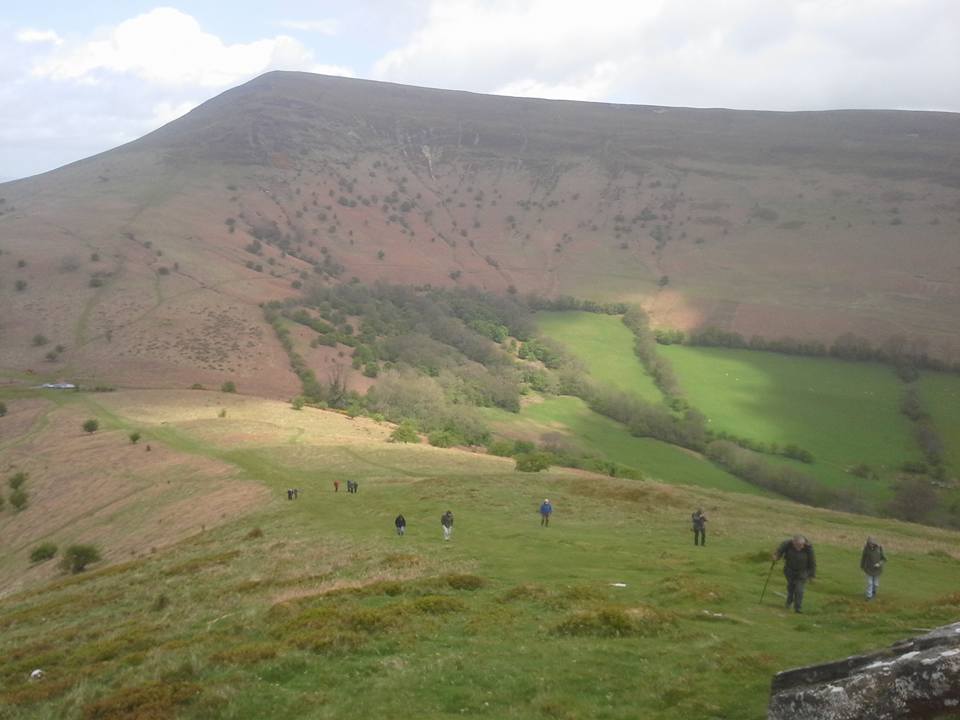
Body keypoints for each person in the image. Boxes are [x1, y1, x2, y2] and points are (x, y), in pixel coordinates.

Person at [773, 535, 816, 613]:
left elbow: (812, 562)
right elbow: (779, 551)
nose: (801, 547)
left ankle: (798, 608)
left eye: (802, 545)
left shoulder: (808, 548)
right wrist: (776, 556)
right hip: (789, 570)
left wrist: (812, 575)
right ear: (793, 543)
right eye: (798, 545)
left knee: (799, 590)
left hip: (802, 572)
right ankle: (789, 602)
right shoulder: (787, 544)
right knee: (791, 587)